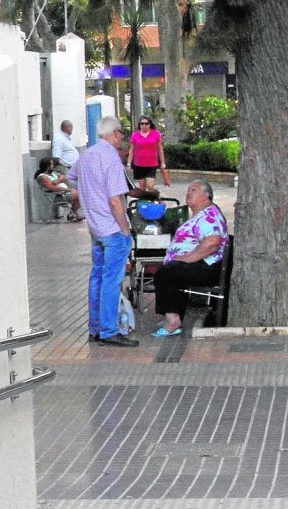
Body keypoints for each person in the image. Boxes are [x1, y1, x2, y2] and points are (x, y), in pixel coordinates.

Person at [67, 116, 138, 347]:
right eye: (122, 134)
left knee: (97, 276)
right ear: (116, 133)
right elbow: (115, 200)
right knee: (111, 279)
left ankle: (95, 327)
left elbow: (71, 177)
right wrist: (125, 230)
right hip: (112, 228)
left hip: (95, 228)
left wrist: (89, 195)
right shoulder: (110, 159)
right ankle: (109, 330)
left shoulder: (87, 155)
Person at [152, 180, 228, 336]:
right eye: (188, 189)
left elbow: (212, 243)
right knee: (169, 271)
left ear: (206, 196)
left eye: (193, 190)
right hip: (200, 264)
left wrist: (189, 258)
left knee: (165, 274)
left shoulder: (209, 215)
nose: (188, 193)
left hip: (207, 267)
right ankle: (173, 317)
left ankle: (173, 320)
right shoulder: (201, 214)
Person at [127, 115, 170, 192]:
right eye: (142, 124)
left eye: (146, 123)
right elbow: (131, 150)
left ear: (150, 124)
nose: (144, 125)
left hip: (152, 164)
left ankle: (156, 198)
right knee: (142, 187)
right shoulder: (135, 135)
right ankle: (145, 203)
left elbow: (160, 149)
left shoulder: (156, 134)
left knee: (150, 186)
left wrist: (163, 163)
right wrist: (129, 163)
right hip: (139, 165)